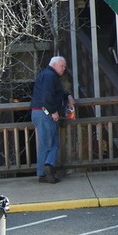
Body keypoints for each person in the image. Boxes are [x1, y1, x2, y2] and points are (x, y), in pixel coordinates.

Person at [31, 56, 74, 184]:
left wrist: (68, 96)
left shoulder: (48, 75)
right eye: (62, 66)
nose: (64, 68)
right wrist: (53, 111)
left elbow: (56, 93)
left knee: (52, 143)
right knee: (47, 144)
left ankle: (46, 169)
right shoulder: (50, 76)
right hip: (44, 113)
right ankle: (45, 170)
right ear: (55, 64)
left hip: (42, 112)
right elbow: (47, 96)